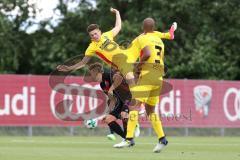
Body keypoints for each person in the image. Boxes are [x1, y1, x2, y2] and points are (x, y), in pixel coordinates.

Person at [114, 18, 177, 153]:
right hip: (159, 77)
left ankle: (129, 138)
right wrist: (171, 31)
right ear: (154, 28)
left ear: (143, 27)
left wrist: (137, 68)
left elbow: (147, 54)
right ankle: (162, 139)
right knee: (150, 111)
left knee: (133, 106)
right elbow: (169, 36)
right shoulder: (158, 37)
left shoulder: (143, 38)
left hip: (148, 75)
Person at [88, 62, 140, 146]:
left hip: (128, 95)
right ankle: (127, 139)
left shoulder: (109, 75)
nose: (92, 76)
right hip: (120, 100)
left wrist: (111, 89)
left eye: (92, 74)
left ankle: (132, 128)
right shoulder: (102, 84)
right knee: (108, 119)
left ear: (98, 72)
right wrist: (108, 112)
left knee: (124, 114)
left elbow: (119, 79)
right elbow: (112, 99)